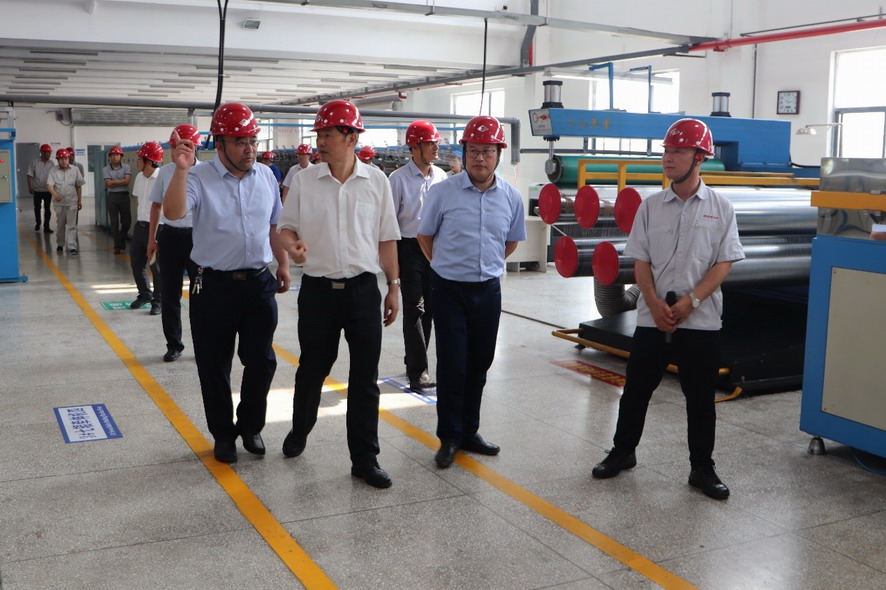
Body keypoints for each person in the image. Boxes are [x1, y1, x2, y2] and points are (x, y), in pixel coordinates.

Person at [590, 118, 745, 501]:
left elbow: (724, 263)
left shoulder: (721, 208)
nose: (668, 158)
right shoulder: (651, 207)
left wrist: (693, 301)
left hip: (701, 320)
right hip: (652, 318)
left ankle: (702, 468)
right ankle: (623, 451)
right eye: (667, 151)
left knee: (700, 398)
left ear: (699, 158)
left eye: (678, 151)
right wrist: (653, 301)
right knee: (636, 390)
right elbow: (640, 261)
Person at [277, 99, 401, 489]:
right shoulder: (304, 181)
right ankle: (300, 427)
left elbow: (387, 239)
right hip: (318, 293)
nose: (320, 142)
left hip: (363, 291)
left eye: (328, 134)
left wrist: (393, 286)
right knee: (313, 368)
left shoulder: (377, 181)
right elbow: (285, 228)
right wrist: (293, 247)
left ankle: (365, 458)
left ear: (350, 138)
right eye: (319, 134)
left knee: (365, 378)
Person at [163, 102, 291, 464]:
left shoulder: (265, 176)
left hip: (259, 284)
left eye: (252, 141)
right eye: (240, 142)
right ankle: (223, 434)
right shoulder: (198, 176)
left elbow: (274, 224)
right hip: (213, 287)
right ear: (219, 144)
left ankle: (250, 426)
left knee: (262, 362)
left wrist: (282, 263)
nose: (249, 149)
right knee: (214, 364)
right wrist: (181, 169)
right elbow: (173, 212)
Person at [416, 116, 526, 469]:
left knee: (480, 362)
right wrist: (445, 266)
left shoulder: (511, 197)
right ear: (464, 153)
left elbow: (510, 241)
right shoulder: (443, 192)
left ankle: (469, 432)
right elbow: (424, 236)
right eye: (474, 150)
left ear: (498, 155)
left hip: (488, 291)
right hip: (448, 290)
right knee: (453, 364)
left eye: (488, 151)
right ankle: (449, 436)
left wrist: (485, 266)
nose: (480, 158)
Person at [388, 120, 447, 390]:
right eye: (430, 143)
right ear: (414, 147)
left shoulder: (441, 177)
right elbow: (390, 222)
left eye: (436, 142)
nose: (436, 147)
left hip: (434, 247)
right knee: (415, 308)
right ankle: (418, 371)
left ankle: (414, 359)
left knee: (431, 308)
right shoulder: (398, 179)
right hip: (409, 248)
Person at [148, 124, 202, 362]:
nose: (175, 151)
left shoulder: (205, 172)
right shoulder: (165, 172)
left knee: (200, 295)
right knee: (170, 294)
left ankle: (202, 344)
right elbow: (156, 206)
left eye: (183, 146)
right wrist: (151, 239)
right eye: (173, 146)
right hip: (169, 237)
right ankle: (174, 344)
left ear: (194, 147)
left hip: (198, 239)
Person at [129, 141, 163, 315]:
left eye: (139, 159)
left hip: (157, 228)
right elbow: (139, 201)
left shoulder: (162, 178)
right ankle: (145, 294)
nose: (136, 162)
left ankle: (159, 301)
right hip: (140, 226)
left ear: (148, 161)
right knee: (136, 263)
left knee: (156, 267)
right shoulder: (139, 177)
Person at [46, 148, 85, 255]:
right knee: (60, 225)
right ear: (58, 160)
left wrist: (79, 201)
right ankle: (60, 244)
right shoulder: (53, 171)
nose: (64, 161)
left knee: (72, 225)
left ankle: (72, 246)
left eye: (66, 158)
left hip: (72, 202)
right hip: (59, 203)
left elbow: (78, 186)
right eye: (61, 159)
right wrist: (55, 195)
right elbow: (49, 185)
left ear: (69, 159)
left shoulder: (75, 170)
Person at [103, 145, 132, 254]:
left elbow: (127, 181)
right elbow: (108, 184)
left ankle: (121, 240)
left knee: (127, 222)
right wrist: (121, 181)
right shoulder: (106, 169)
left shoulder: (126, 167)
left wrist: (114, 182)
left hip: (124, 196)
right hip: (112, 197)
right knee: (114, 223)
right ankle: (117, 245)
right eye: (113, 155)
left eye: (117, 155)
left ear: (121, 156)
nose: (115, 157)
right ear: (110, 156)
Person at [27, 144, 55, 233]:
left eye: (50, 152)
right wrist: (30, 186)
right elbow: (29, 175)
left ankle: (46, 226)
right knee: (37, 208)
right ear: (42, 152)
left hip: (47, 190)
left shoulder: (51, 163)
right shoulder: (35, 162)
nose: (49, 154)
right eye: (48, 152)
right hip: (37, 190)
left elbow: (54, 176)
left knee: (47, 209)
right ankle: (38, 222)